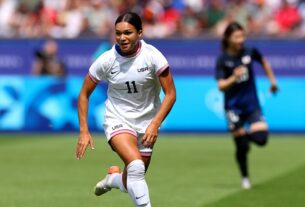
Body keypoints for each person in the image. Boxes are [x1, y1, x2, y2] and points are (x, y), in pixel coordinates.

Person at [75, 12, 176, 206]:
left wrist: (154, 124)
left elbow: (170, 94)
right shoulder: (106, 60)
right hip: (117, 119)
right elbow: (83, 94)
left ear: (139, 32)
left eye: (128, 33)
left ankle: (112, 180)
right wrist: (84, 130)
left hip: (147, 124)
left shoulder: (152, 56)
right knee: (136, 167)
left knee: (130, 179)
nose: (122, 38)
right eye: (118, 33)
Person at [215, 22, 278, 189]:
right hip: (233, 108)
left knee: (262, 138)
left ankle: (243, 135)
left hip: (251, 105)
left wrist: (272, 81)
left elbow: (264, 62)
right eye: (237, 37)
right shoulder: (223, 59)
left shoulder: (250, 52)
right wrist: (233, 78)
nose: (241, 40)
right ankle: (245, 177)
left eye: (242, 36)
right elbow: (220, 86)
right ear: (228, 38)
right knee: (242, 147)